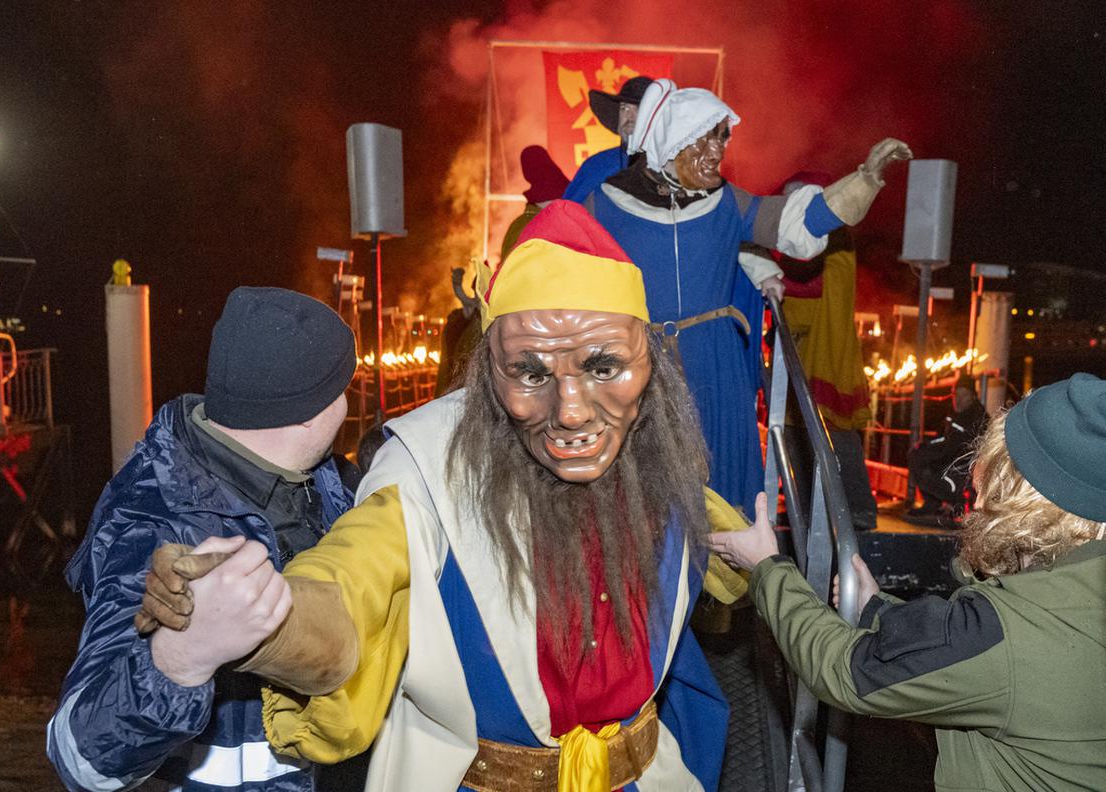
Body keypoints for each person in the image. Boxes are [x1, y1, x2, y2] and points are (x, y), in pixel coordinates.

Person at [173, 201, 755, 791]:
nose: (572, 410)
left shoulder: (654, 452)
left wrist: (762, 564)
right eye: (531, 375)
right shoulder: (428, 471)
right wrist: (265, 620)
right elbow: (351, 583)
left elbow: (701, 521)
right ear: (488, 374)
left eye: (604, 366)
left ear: (650, 366)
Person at [710, 372, 1106, 791]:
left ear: (1013, 488)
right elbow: (960, 648)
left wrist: (767, 567)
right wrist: (874, 607)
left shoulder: (1007, 632)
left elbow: (844, 671)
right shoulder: (1069, 594)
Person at [46, 286, 359, 792]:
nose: (350, 402)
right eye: (343, 387)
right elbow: (80, 758)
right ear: (308, 410)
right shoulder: (154, 522)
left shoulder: (329, 482)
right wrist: (181, 657)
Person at [585, 77, 910, 518]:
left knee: (719, 490)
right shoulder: (603, 206)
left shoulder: (726, 203)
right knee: (642, 499)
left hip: (716, 368)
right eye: (707, 140)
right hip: (637, 366)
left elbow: (798, 224)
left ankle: (723, 578)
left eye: (723, 139)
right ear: (673, 139)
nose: (718, 152)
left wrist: (865, 180)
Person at [771, 171, 879, 530]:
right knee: (791, 433)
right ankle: (803, 509)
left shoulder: (835, 238)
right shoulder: (787, 245)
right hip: (796, 353)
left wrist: (764, 271)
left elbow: (809, 281)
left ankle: (859, 509)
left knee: (837, 433)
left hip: (827, 353)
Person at [906, 373, 988, 522]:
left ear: (972, 396)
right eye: (956, 394)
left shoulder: (976, 416)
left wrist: (933, 459)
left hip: (962, 468)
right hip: (950, 459)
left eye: (964, 395)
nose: (958, 399)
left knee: (925, 463)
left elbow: (959, 448)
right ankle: (932, 503)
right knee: (916, 455)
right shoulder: (954, 414)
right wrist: (924, 444)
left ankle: (957, 506)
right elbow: (943, 437)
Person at [562, 76, 653, 204]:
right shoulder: (597, 165)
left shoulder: (672, 166)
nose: (629, 116)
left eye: (638, 108)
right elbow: (567, 213)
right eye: (624, 108)